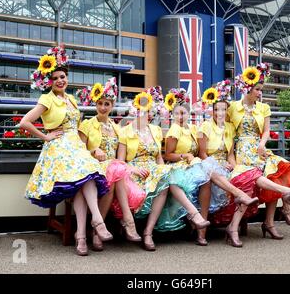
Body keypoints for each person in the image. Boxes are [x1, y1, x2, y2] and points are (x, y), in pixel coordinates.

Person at [21, 45, 112, 256]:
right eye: (55, 78)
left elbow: (77, 126)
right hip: (60, 148)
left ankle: (82, 235)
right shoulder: (47, 99)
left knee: (86, 177)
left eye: (63, 76)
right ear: (49, 82)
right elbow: (25, 122)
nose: (60, 80)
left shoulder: (71, 99)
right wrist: (46, 136)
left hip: (75, 146)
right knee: (86, 173)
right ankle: (96, 222)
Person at [163, 87, 259, 246]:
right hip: (190, 165)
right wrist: (185, 156)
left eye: (185, 112)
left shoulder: (194, 128)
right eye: (178, 113)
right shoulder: (181, 128)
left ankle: (225, 227)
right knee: (206, 176)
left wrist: (232, 166)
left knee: (240, 177)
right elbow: (177, 154)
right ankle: (204, 228)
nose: (181, 116)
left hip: (202, 165)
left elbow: (229, 153)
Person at [117, 87, 210, 251]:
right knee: (166, 180)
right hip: (136, 171)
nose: (147, 114)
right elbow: (121, 161)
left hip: (154, 169)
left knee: (166, 178)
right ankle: (193, 214)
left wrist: (162, 170)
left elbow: (159, 158)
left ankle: (148, 232)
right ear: (136, 110)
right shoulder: (125, 131)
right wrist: (133, 169)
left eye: (150, 111)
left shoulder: (156, 130)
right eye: (142, 110)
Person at [229, 64, 290, 239]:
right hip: (241, 149)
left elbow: (265, 131)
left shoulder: (263, 108)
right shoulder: (232, 107)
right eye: (257, 89)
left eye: (261, 90)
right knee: (265, 174)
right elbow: (228, 133)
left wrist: (262, 144)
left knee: (277, 169)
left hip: (259, 146)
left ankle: (270, 222)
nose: (260, 93)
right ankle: (283, 205)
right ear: (248, 88)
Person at [77, 78, 145, 251]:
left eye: (107, 104)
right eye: (100, 103)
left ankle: (97, 231)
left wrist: (131, 168)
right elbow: (78, 152)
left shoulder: (117, 128)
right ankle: (128, 222)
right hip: (93, 168)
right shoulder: (87, 125)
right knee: (115, 173)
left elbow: (120, 158)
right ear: (95, 104)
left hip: (114, 170)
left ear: (112, 105)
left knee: (115, 175)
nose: (103, 107)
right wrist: (93, 151)